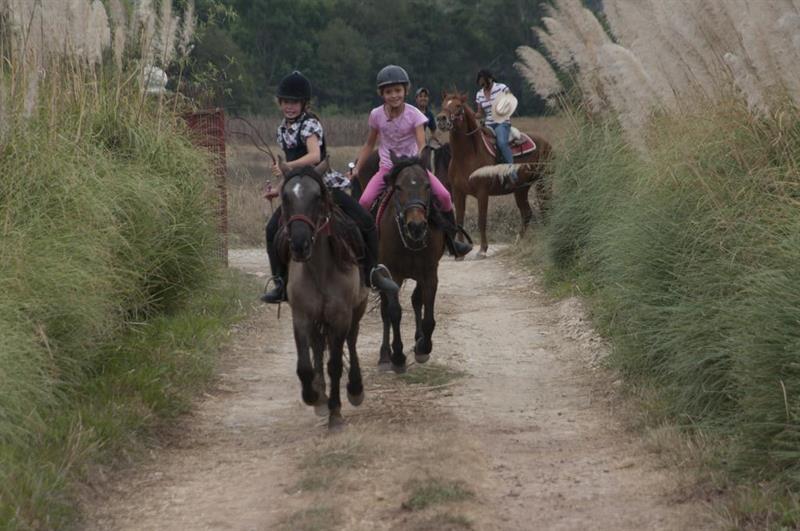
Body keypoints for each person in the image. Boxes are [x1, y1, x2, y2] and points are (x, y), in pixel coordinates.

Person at [261, 71, 398, 303]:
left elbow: (314, 156)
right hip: (297, 189)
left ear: (304, 103)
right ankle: (280, 283)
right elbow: (292, 171)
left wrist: (286, 165)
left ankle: (372, 273)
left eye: (294, 102)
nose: (289, 107)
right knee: (271, 230)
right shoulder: (282, 128)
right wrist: (279, 187)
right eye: (285, 102)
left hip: (321, 185)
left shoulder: (310, 123)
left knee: (364, 222)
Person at [351, 65, 472, 258]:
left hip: (413, 167)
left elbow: (421, 143)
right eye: (389, 92)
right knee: (364, 201)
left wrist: (421, 164)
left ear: (405, 91)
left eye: (398, 90)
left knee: (444, 197)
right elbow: (369, 144)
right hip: (388, 169)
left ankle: (451, 241)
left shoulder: (415, 114)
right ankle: (364, 246)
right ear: (381, 94)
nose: (394, 95)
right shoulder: (376, 115)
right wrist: (357, 168)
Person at [475, 69, 513, 165]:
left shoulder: (501, 88)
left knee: (501, 143)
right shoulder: (479, 94)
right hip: (488, 125)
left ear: (490, 79)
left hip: (502, 122)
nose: (483, 86)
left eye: (484, 83)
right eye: (481, 84)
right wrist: (472, 115)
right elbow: (480, 113)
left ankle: (512, 170)